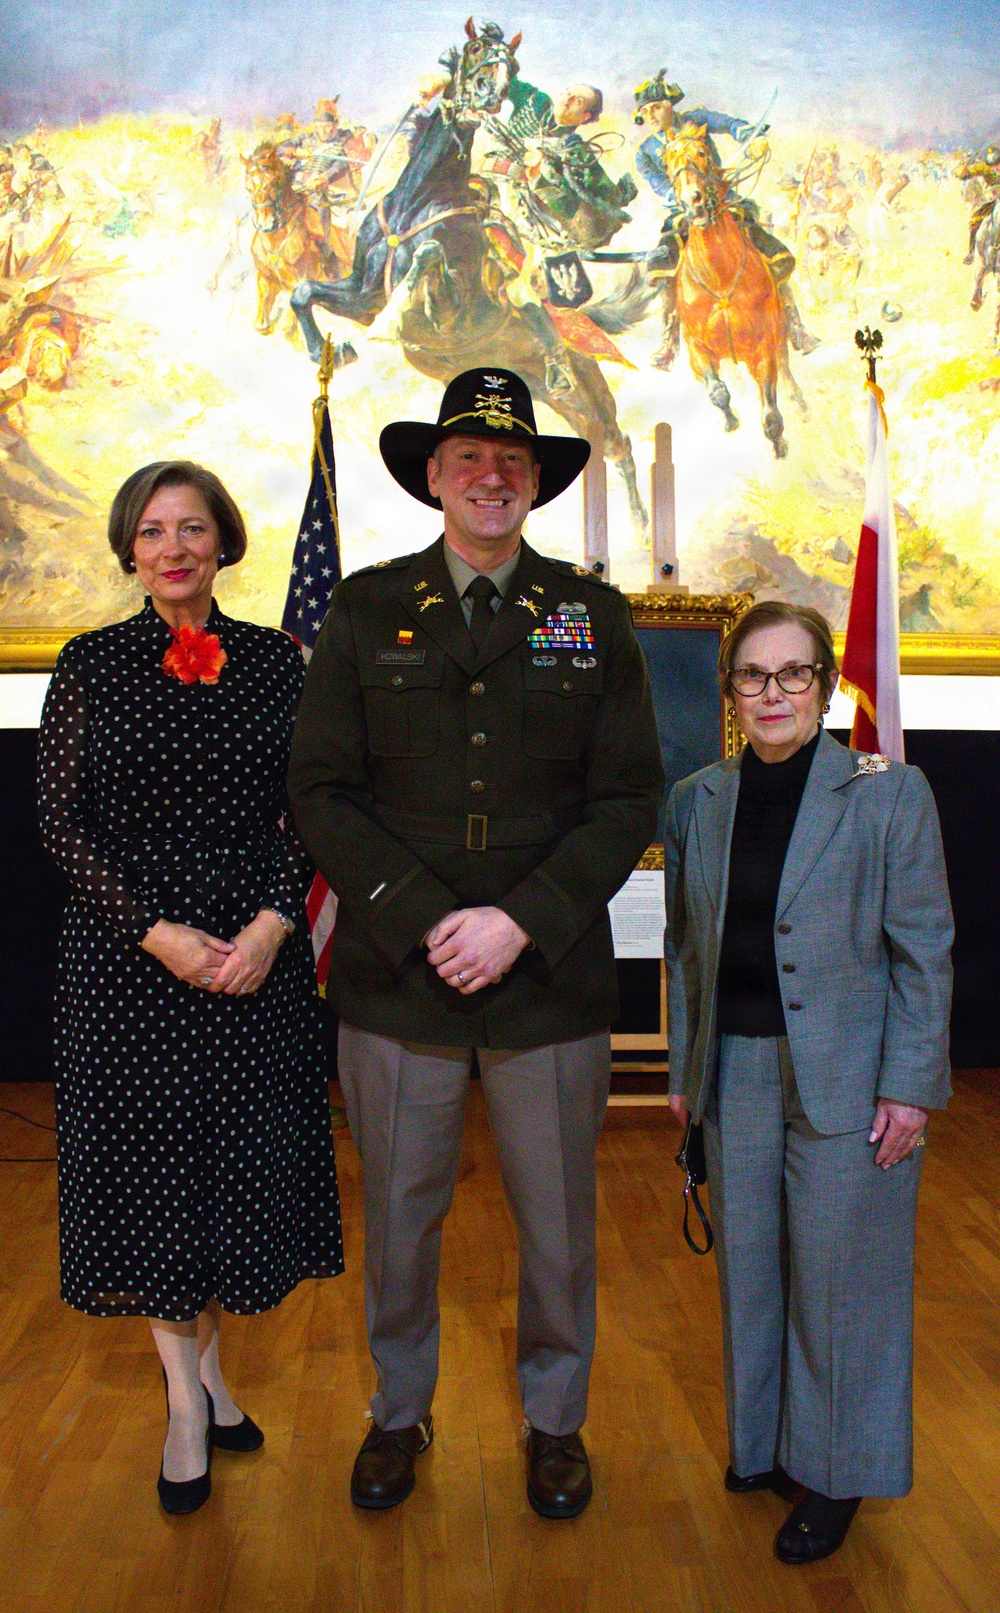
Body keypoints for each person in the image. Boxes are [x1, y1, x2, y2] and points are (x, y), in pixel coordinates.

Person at [289, 366, 663, 1520]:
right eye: (467, 458)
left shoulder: (589, 614)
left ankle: (556, 1422)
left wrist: (518, 919)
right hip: (400, 978)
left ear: (535, 483)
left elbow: (626, 794)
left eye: (512, 460)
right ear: (435, 477)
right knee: (400, 1219)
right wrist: (422, 912)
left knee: (557, 1226)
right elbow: (320, 790)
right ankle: (398, 1411)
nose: (490, 475)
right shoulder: (363, 608)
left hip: (545, 978)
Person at [37, 461, 344, 1516]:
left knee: (227, 1176)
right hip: (131, 964)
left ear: (224, 543)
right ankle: (183, 1397)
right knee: (154, 1183)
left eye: (194, 528)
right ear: (131, 549)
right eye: (154, 530)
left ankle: (212, 1375)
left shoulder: (273, 662)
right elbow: (60, 824)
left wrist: (268, 924)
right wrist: (157, 933)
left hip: (253, 955)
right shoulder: (89, 663)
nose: (174, 547)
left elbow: (305, 808)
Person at [663, 600, 953, 1564]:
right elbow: (685, 949)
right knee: (751, 1272)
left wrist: (909, 1084)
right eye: (753, 675)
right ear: (733, 691)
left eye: (794, 674)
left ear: (826, 686)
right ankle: (766, 1446)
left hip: (852, 1078)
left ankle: (835, 1473)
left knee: (840, 1285)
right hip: (733, 1070)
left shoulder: (890, 793)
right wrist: (684, 1070)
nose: (773, 693)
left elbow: (925, 954)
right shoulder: (699, 798)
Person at [632, 70, 817, 367]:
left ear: (671, 105)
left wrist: (748, 135)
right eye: (645, 111)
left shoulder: (696, 120)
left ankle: (796, 326)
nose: (652, 114)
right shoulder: (645, 153)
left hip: (722, 203)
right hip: (683, 212)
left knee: (768, 252)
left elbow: (730, 124)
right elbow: (659, 184)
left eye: (657, 106)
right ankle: (669, 341)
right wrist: (680, 196)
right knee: (664, 268)